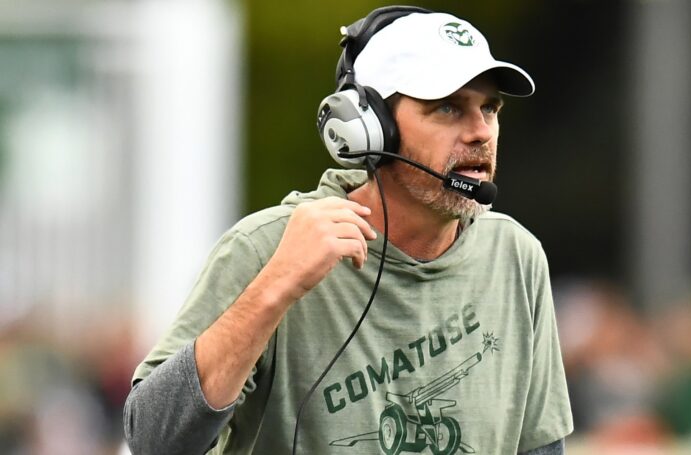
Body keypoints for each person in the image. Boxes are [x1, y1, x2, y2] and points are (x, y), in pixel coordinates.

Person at [124, 6, 573, 454]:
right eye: (448, 108)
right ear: (369, 128)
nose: (480, 132)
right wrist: (274, 287)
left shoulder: (516, 255)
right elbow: (151, 439)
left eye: (489, 108)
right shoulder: (265, 249)